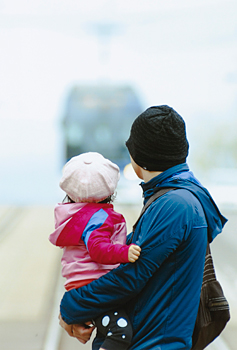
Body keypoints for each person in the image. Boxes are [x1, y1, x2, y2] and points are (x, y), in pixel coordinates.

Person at [58, 105, 227, 350]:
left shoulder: (174, 205)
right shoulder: (172, 197)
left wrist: (71, 307)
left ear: (140, 156)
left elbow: (131, 277)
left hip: (154, 343)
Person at [49, 152, 141, 350]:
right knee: (120, 332)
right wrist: (123, 252)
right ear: (109, 190)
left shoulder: (74, 216)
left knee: (107, 332)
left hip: (80, 283)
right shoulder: (99, 218)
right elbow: (98, 249)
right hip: (95, 284)